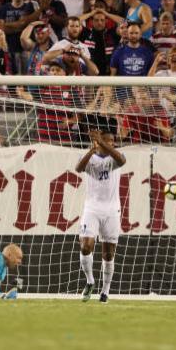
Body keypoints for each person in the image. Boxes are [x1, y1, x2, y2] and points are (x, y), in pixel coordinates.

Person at [75, 129, 126, 303]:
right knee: (86, 246)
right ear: (99, 141)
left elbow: (122, 160)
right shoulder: (90, 157)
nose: (111, 143)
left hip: (112, 210)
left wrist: (102, 143)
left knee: (108, 253)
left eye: (113, 140)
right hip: (92, 208)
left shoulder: (115, 157)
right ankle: (90, 281)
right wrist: (92, 148)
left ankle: (105, 290)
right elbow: (78, 168)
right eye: (107, 140)